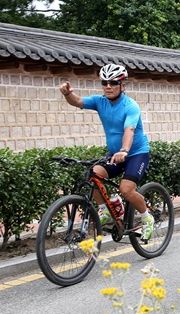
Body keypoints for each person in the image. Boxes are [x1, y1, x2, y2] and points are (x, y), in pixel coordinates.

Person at [59, 64, 154, 241]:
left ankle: (147, 218)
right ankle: (106, 210)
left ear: (123, 85)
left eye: (113, 82)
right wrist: (67, 94)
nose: (108, 86)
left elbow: (130, 130)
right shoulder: (100, 101)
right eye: (104, 83)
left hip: (136, 154)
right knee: (92, 175)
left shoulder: (130, 106)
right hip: (115, 154)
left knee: (127, 189)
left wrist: (124, 150)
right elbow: (78, 102)